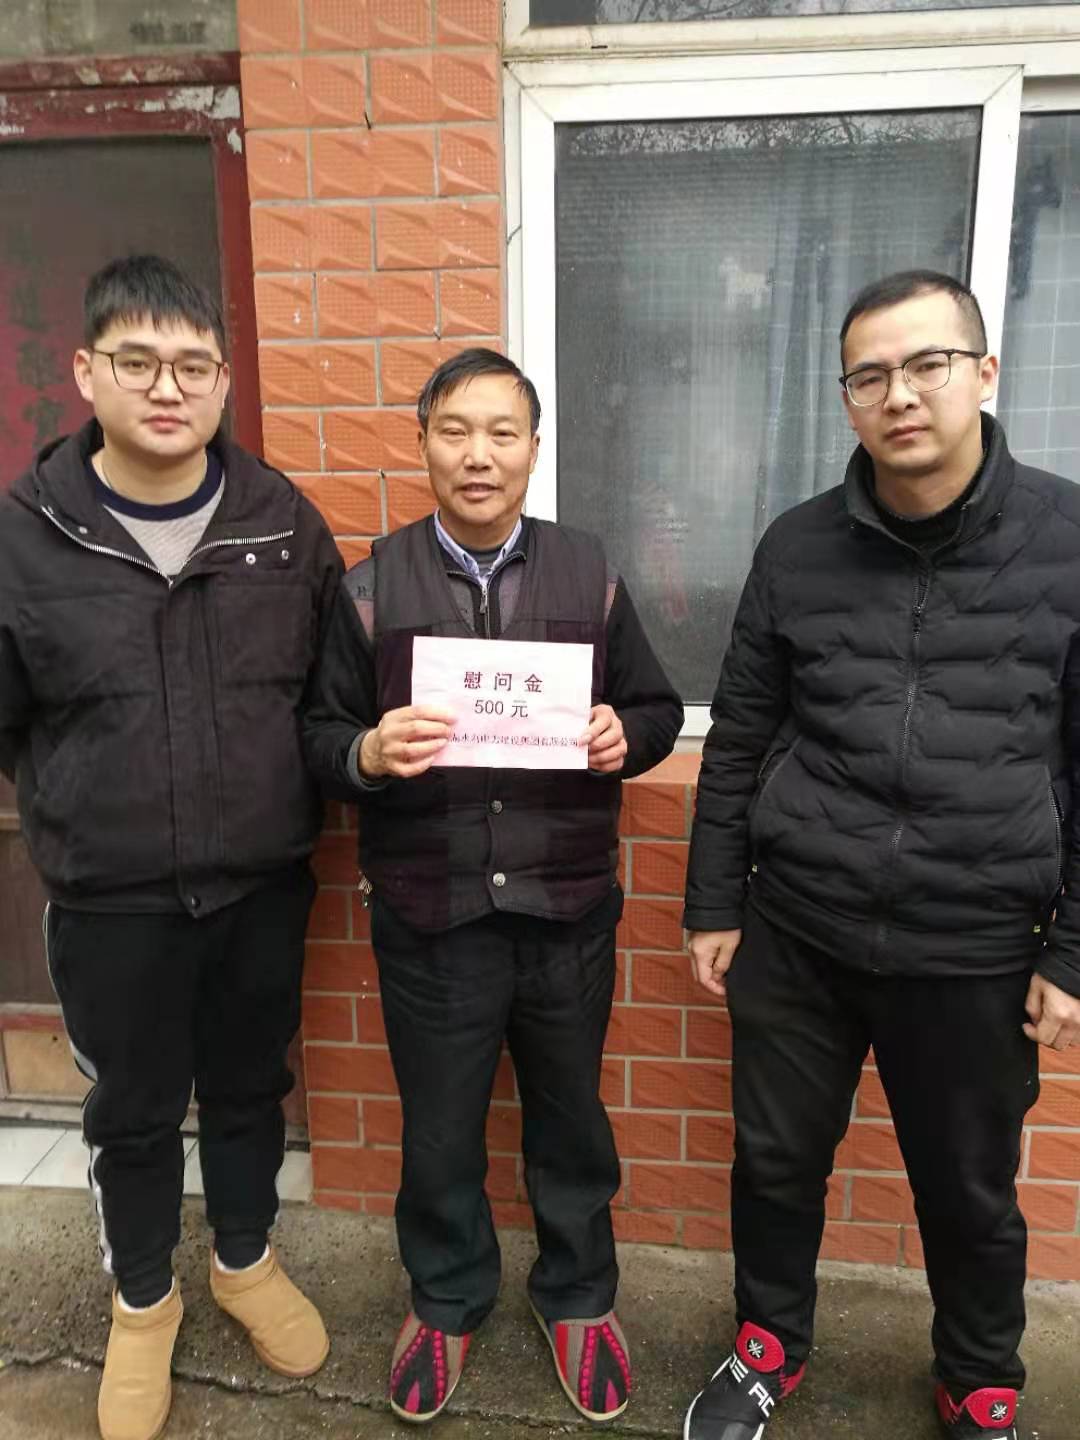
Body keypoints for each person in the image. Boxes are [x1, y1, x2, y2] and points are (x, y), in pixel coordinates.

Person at [682, 270, 1080, 1440]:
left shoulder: (1068, 541)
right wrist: (714, 900)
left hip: (975, 942)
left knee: (968, 1187)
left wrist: (1071, 951)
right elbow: (741, 733)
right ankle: (768, 1345)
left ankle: (978, 1378)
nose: (900, 394)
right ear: (847, 398)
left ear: (984, 373)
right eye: (870, 375)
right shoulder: (797, 547)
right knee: (774, 1161)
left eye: (927, 365)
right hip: (799, 928)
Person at [304, 348, 683, 1425]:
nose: (479, 455)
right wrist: (365, 754)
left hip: (567, 911)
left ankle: (579, 1295)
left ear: (533, 448)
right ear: (422, 443)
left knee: (571, 1123)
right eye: (456, 431)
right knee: (438, 1131)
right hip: (432, 912)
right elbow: (317, 735)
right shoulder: (370, 587)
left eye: (502, 433)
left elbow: (656, 709)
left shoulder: (590, 573)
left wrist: (626, 735)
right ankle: (447, 1297)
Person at [0, 255, 342, 1440]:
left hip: (259, 887)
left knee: (251, 1089)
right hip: (112, 902)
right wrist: (84, 803)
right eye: (138, 361)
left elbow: (327, 698)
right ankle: (144, 1301)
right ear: (85, 370)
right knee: (133, 1111)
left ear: (224, 382)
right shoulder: (25, 536)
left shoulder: (281, 525)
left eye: (193, 366)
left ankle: (244, 1262)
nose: (167, 388)